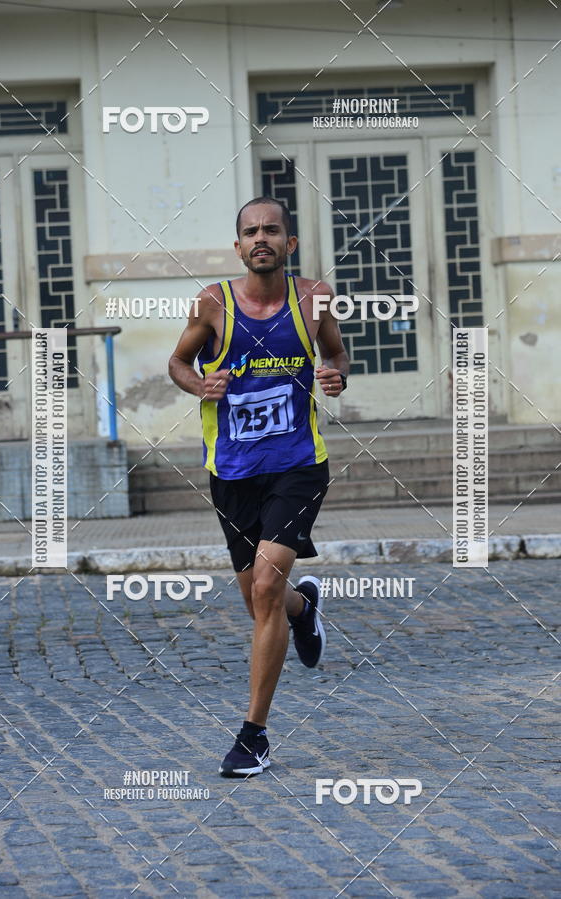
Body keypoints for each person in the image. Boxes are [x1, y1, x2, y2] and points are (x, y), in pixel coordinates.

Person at [168, 196, 349, 777]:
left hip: (298, 464)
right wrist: (200, 387)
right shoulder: (213, 303)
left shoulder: (313, 297)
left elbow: (337, 355)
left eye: (273, 230)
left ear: (289, 244)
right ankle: (305, 608)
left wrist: (334, 376)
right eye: (251, 231)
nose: (262, 238)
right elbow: (177, 363)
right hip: (233, 472)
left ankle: (253, 736)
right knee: (258, 600)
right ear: (239, 246)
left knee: (266, 584)